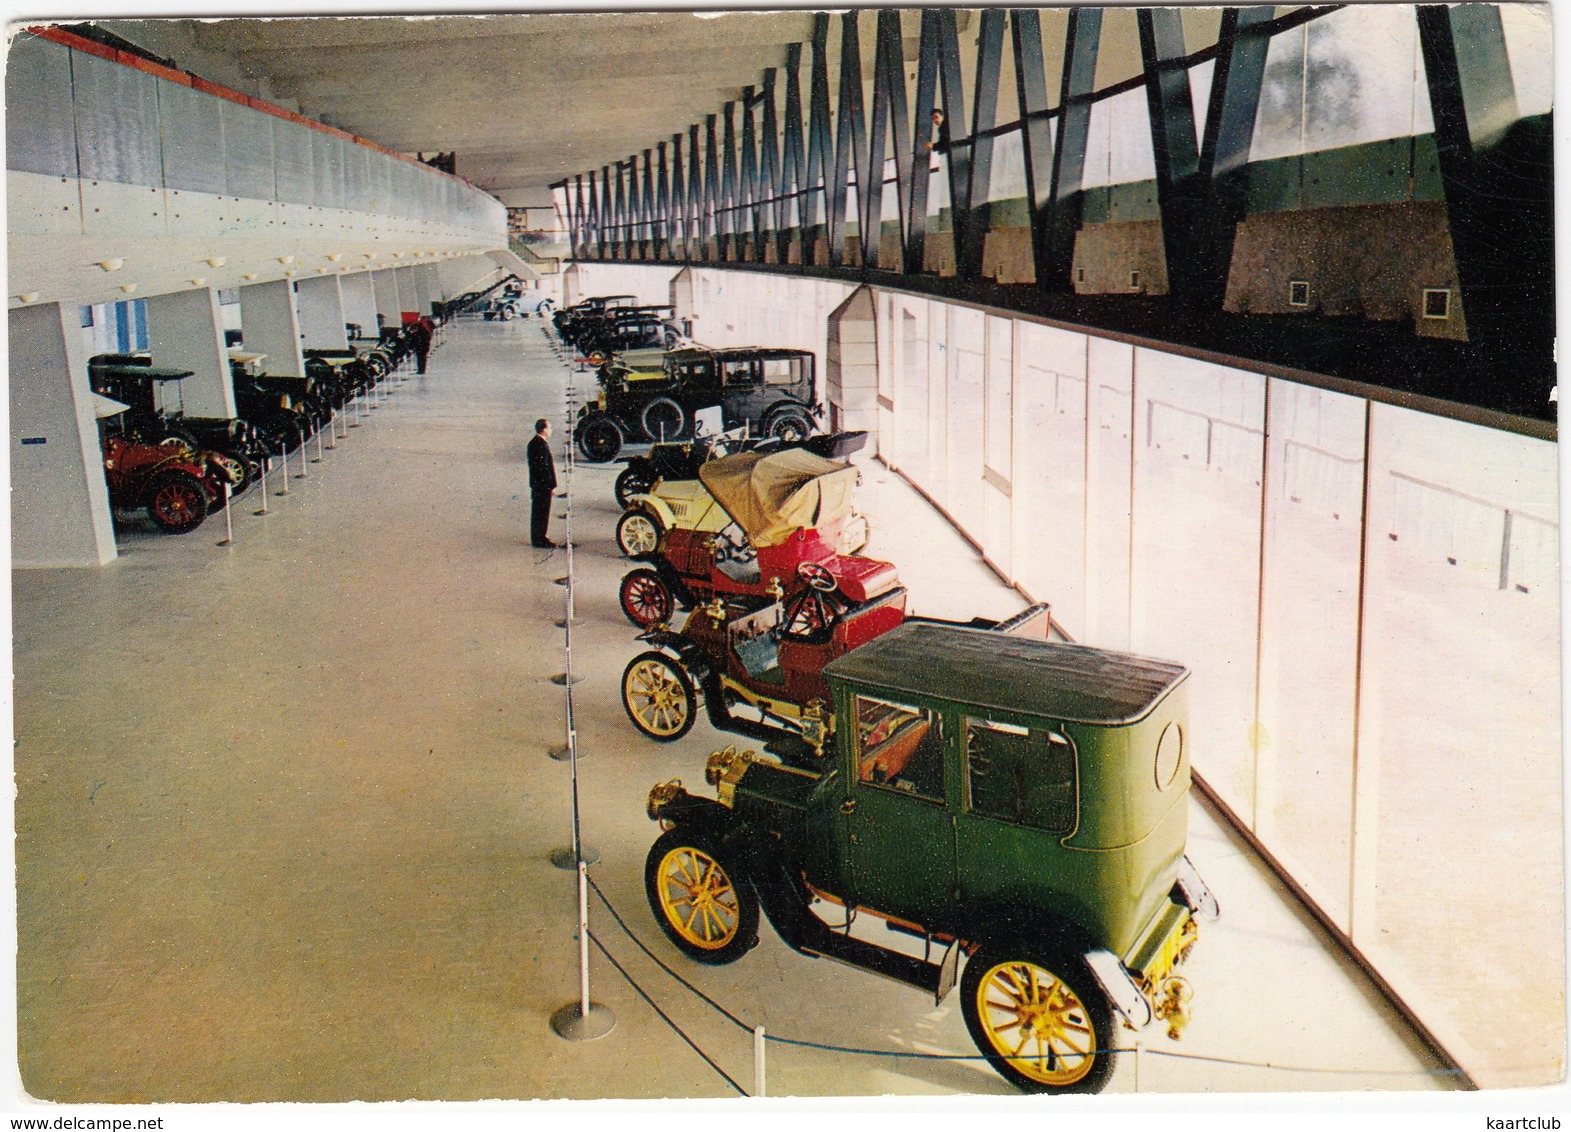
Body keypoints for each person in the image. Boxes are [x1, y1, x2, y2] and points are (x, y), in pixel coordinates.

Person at [527, 418, 559, 548]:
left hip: (537, 485)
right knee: (542, 513)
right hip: (542, 486)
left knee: (538, 512)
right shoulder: (540, 445)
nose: (551, 431)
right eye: (549, 428)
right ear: (544, 430)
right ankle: (540, 539)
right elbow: (544, 468)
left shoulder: (534, 443)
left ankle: (538, 537)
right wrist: (550, 486)